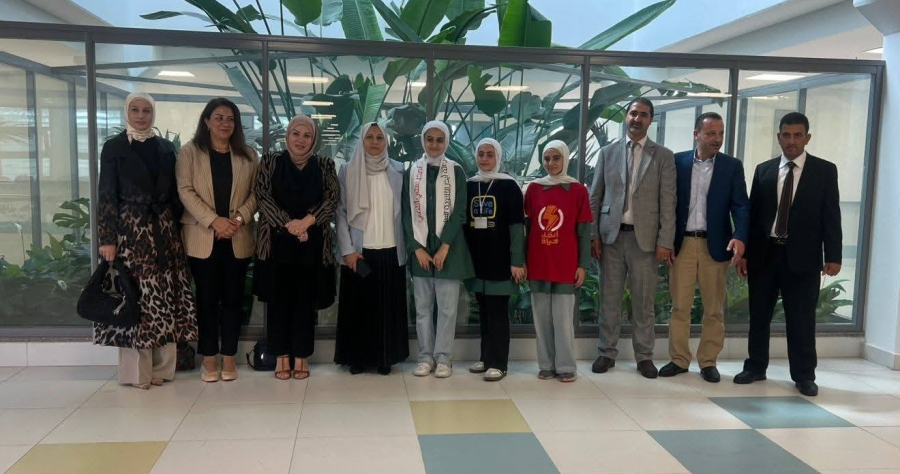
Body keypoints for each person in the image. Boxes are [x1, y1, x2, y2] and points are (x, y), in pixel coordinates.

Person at [95, 92, 198, 390]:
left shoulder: (166, 147)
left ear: (153, 113)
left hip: (164, 232)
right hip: (130, 232)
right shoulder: (114, 147)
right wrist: (107, 238)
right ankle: (136, 374)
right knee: (135, 299)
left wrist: (178, 230)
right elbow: (106, 194)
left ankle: (162, 370)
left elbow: (176, 193)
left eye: (146, 110)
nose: (141, 116)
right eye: (135, 110)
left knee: (164, 299)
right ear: (127, 112)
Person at [735, 112, 842, 397]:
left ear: (807, 138)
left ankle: (804, 375)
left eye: (797, 135)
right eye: (786, 135)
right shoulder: (764, 170)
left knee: (802, 319)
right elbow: (754, 215)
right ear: (779, 137)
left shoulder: (825, 171)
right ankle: (755, 367)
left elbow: (832, 215)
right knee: (759, 315)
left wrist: (833, 255)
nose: (791, 140)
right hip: (764, 255)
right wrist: (745, 253)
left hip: (803, 258)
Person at [658, 112, 749, 383]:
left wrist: (740, 236)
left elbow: (741, 206)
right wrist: (665, 241)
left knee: (714, 309)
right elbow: (666, 203)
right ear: (696, 134)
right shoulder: (678, 162)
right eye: (710, 133)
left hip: (716, 245)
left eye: (720, 133)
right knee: (680, 306)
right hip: (683, 244)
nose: (717, 139)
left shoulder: (732, 166)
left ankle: (708, 361)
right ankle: (679, 359)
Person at [589, 97, 676, 379]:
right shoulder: (607, 153)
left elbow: (668, 202)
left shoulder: (663, 156)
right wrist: (594, 235)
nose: (637, 119)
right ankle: (606, 352)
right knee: (609, 300)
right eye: (633, 113)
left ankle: (644, 357)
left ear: (651, 120)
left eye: (644, 115)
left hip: (646, 242)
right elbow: (595, 196)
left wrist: (665, 241)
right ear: (626, 117)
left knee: (643, 303)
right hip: (611, 239)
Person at [177, 98, 258, 383]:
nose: (225, 123)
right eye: (219, 117)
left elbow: (256, 194)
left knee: (234, 301)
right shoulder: (189, 152)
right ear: (207, 121)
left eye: (231, 119)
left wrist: (237, 219)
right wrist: (214, 220)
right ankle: (209, 358)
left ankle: (229, 357)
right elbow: (185, 190)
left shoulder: (248, 155)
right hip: (203, 237)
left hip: (237, 236)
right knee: (207, 300)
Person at [254, 115, 339, 380]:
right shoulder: (270, 161)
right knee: (278, 301)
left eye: (307, 135)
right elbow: (262, 195)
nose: (300, 140)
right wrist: (290, 224)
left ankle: (302, 356)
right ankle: (281, 356)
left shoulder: (324, 164)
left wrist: (306, 222)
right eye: (296, 133)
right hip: (276, 244)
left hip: (312, 246)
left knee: (305, 301)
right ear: (287, 135)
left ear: (314, 140)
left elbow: (332, 198)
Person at [334, 122, 409, 375]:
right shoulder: (348, 170)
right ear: (362, 141)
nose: (375, 142)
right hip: (359, 252)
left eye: (379, 137)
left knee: (387, 308)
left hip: (391, 249)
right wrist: (347, 250)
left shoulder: (398, 169)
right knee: (359, 307)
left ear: (386, 141)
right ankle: (357, 358)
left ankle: (385, 358)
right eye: (369, 137)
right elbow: (340, 212)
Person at [402, 120, 474, 378]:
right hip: (421, 252)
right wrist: (416, 248)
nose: (434, 144)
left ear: (446, 142)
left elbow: (460, 211)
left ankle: (444, 358)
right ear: (423, 141)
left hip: (449, 251)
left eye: (440, 140)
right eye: (430, 139)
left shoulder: (456, 171)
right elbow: (406, 212)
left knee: (447, 310)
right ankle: (425, 357)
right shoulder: (413, 171)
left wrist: (445, 246)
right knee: (422, 309)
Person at [525, 140, 593, 383]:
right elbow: (526, 229)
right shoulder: (533, 189)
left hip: (566, 265)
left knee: (563, 320)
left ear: (565, 159)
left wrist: (582, 265)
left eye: (556, 158)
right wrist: (522, 262)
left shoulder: (578, 191)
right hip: (538, 263)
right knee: (541, 319)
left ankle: (565, 366)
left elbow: (584, 232)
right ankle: (545, 365)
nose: (551, 163)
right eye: (547, 158)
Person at [463, 138, 526, 382]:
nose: (485, 159)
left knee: (498, 313)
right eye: (481, 154)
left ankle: (499, 363)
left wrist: (517, 261)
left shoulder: (509, 186)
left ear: (498, 157)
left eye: (490, 154)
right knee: (484, 312)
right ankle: (486, 357)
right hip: (478, 261)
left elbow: (517, 226)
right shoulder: (470, 185)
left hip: (501, 260)